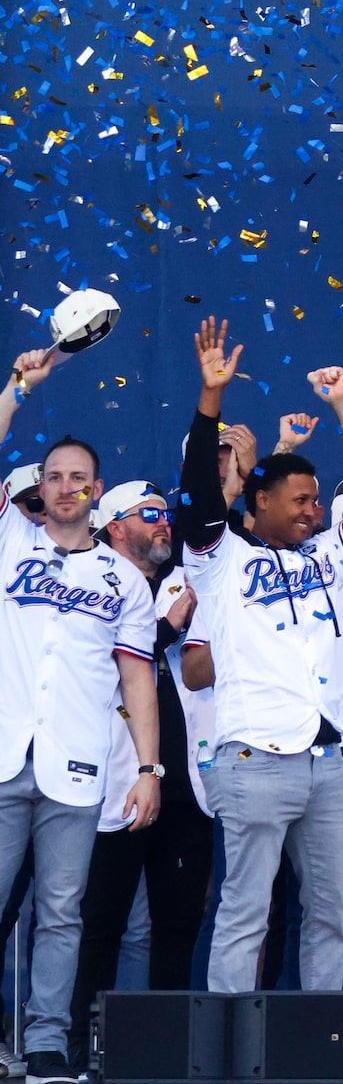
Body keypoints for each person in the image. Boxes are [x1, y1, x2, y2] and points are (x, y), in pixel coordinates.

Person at [174, 319, 343, 1001]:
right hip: (254, 759)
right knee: (245, 914)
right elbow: (196, 488)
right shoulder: (221, 558)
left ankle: (318, 1045)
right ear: (260, 501)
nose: (316, 510)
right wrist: (209, 399)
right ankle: (222, 1053)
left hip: (330, 766)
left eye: (318, 501)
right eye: (303, 500)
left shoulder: (336, 561)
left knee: (331, 916)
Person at [0, 430, 162, 1084]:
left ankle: (46, 1045)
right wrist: (14, 388)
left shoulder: (124, 579)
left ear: (95, 491)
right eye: (56, 476)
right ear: (41, 488)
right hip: (6, 752)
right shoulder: (12, 542)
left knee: (63, 912)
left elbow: (138, 680)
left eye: (79, 478)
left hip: (77, 766)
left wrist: (149, 769)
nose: (66, 487)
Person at [72, 481, 208, 1036]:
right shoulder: (88, 583)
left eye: (165, 514)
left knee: (178, 925)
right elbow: (107, 657)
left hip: (184, 783)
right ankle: (79, 1047)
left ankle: (169, 1049)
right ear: (112, 526)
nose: (163, 523)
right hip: (112, 782)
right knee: (99, 923)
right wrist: (168, 626)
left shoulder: (187, 582)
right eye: (148, 514)